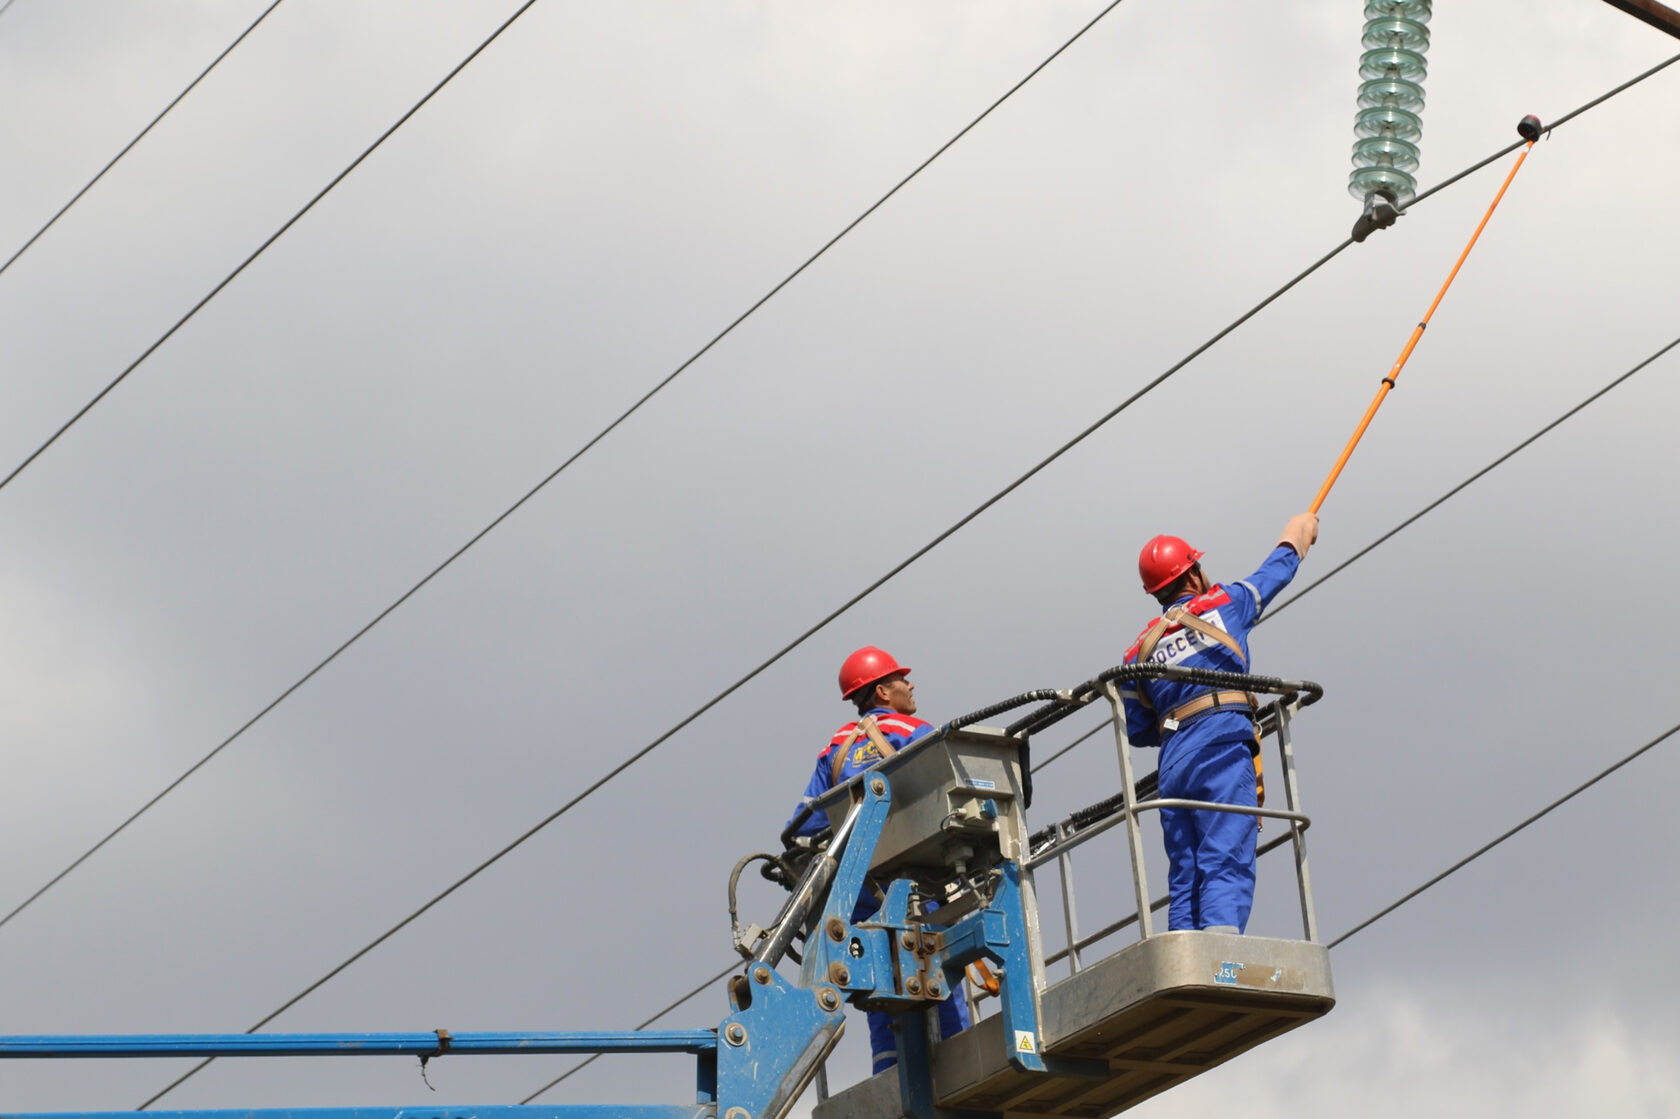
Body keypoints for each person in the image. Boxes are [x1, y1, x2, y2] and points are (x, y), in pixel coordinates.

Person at [1119, 514, 1318, 934]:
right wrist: (1298, 532)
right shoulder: (1226, 604)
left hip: (1174, 762)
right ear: (1192, 571)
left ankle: (1185, 955)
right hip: (1222, 744)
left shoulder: (1137, 652)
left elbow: (1137, 729)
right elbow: (1276, 571)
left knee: (1186, 870)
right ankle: (1221, 957)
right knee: (1225, 851)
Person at [787, 646, 970, 1075]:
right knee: (939, 964)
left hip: (858, 886)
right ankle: (959, 1061)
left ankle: (890, 1076)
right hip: (912, 881)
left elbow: (802, 828)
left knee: (878, 977)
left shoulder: (834, 751)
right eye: (903, 679)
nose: (911, 685)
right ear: (884, 690)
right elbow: (953, 798)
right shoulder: (914, 731)